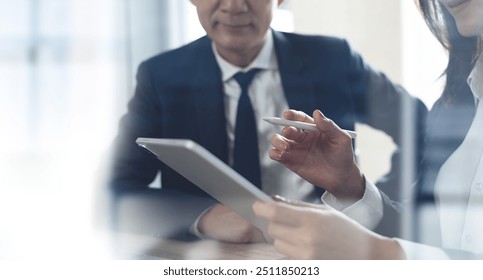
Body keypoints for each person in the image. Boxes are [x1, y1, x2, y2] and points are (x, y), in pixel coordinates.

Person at [107, 0, 424, 243]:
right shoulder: (161, 76)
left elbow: (422, 127)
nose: (233, 6)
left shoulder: (332, 59)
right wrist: (203, 217)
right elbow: (115, 189)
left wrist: (366, 201)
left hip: (323, 248)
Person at [253, 0, 483, 259]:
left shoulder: (331, 56)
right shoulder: (457, 101)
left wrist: (378, 253)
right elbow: (425, 240)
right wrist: (350, 187)